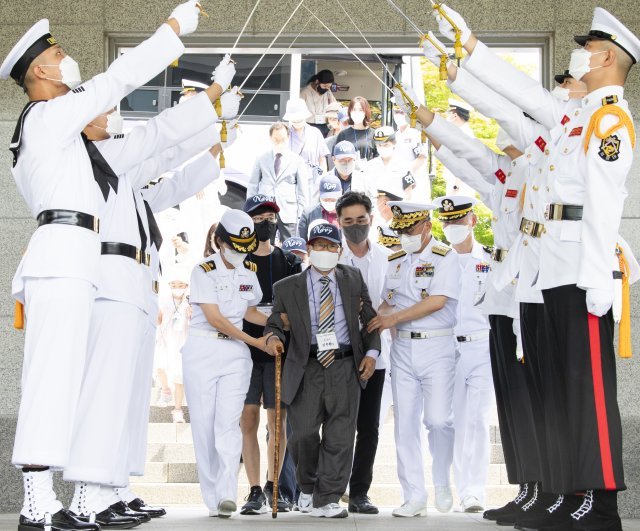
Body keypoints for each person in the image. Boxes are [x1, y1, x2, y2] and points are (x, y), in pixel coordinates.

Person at [435, 5, 640, 529]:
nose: (576, 58)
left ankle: (601, 500)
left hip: (581, 270)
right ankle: (571, 494)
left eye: (585, 47)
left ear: (606, 56)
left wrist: (598, 278)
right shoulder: (575, 116)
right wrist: (469, 56)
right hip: (551, 270)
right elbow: (518, 98)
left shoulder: (608, 119)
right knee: (559, 390)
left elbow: (602, 205)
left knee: (588, 390)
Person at [0, 3, 201, 528]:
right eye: (61, 56)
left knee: (64, 381)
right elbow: (119, 77)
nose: (68, 63)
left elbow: (144, 152)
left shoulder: (56, 133)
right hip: (62, 256)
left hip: (73, 258)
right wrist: (172, 31)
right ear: (40, 72)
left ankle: (49, 499)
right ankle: (37, 502)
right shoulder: (46, 116)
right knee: (51, 381)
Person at [264, 222, 381, 518]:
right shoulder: (287, 287)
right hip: (306, 366)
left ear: (339, 251)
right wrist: (275, 337)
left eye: (331, 247)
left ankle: (327, 497)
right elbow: (275, 322)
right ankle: (307, 488)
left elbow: (369, 318)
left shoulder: (353, 278)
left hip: (344, 365)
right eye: (319, 246)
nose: (325, 251)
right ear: (309, 250)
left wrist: (371, 352)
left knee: (340, 435)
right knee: (302, 434)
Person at [367, 201, 459, 517]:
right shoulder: (395, 261)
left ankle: (442, 480)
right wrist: (373, 320)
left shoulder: (445, 257)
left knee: (438, 420)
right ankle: (414, 495)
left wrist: (394, 319)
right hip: (403, 350)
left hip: (437, 347)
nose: (404, 235)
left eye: (409, 229)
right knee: (404, 425)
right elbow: (385, 305)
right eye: (400, 230)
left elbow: (436, 301)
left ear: (426, 227)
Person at [182, 209, 273, 519]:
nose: (238, 253)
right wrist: (256, 342)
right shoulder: (202, 270)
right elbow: (217, 319)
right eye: (233, 246)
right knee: (205, 428)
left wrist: (277, 322)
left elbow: (249, 312)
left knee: (228, 425)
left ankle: (226, 494)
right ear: (219, 241)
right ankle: (212, 497)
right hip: (203, 352)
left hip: (236, 355)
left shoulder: (248, 270)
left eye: (243, 248)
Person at [239, 195, 302, 515]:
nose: (267, 223)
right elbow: (240, 309)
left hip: (280, 353)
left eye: (272, 218)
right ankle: (252, 490)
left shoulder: (290, 262)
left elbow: (298, 308)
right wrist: (275, 321)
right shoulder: (239, 260)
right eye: (260, 218)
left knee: (278, 424)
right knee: (248, 420)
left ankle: (273, 484)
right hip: (247, 353)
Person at [434, 195, 494, 513]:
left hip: (482, 345)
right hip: (447, 347)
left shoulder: (491, 260)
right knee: (453, 420)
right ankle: (461, 488)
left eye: (458, 221)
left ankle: (475, 489)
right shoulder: (438, 263)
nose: (452, 227)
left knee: (478, 419)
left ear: (471, 221)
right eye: (447, 222)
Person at [335, 192, 391, 514]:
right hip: (340, 356)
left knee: (368, 426)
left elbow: (388, 303)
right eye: (348, 222)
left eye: (361, 220)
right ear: (339, 222)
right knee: (339, 424)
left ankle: (359, 493)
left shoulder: (387, 257)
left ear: (371, 218)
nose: (355, 227)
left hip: (377, 353)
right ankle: (331, 488)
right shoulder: (331, 257)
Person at [247, 121, 309, 240]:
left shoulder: (297, 160)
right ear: (270, 138)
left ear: (288, 137)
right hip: (264, 209)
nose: (279, 142)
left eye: (283, 139)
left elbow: (303, 191)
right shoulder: (261, 158)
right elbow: (252, 185)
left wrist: (301, 214)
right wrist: (251, 209)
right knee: (263, 244)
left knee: (290, 246)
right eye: (276, 139)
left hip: (289, 210)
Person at [156, 263, 191, 423]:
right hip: (165, 340)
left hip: (182, 342)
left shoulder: (190, 302)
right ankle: (165, 390)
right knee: (160, 367)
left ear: (186, 286)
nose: (177, 288)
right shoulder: (164, 300)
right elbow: (158, 320)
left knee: (179, 377)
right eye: (174, 285)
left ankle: (177, 410)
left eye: (181, 285)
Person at [283, 97, 330, 201]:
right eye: (294, 117)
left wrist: (322, 179)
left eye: (299, 117)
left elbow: (322, 159)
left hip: (313, 184)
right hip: (291, 184)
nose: (297, 120)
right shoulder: (284, 133)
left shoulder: (315, 133)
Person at [363, 126, 410, 195]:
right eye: (379, 145)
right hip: (374, 204)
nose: (382, 148)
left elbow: (409, 193)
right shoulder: (369, 166)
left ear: (394, 143)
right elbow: (366, 192)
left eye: (386, 145)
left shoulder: (404, 165)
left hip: (397, 205)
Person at [297, 173, 343, 239]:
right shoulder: (308, 214)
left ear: (340, 193)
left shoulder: (348, 213)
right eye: (326, 199)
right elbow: (301, 241)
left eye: (333, 199)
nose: (329, 202)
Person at [334, 96, 378, 163]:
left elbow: (379, 156)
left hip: (369, 171)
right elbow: (335, 157)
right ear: (350, 112)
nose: (357, 113)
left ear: (366, 112)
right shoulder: (343, 135)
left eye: (360, 110)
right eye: (354, 109)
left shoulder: (374, 134)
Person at [300, 69, 337, 136]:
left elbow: (334, 106)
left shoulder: (328, 91)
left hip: (325, 126)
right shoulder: (305, 92)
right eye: (325, 86)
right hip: (309, 125)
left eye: (329, 87)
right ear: (317, 81)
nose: (326, 88)